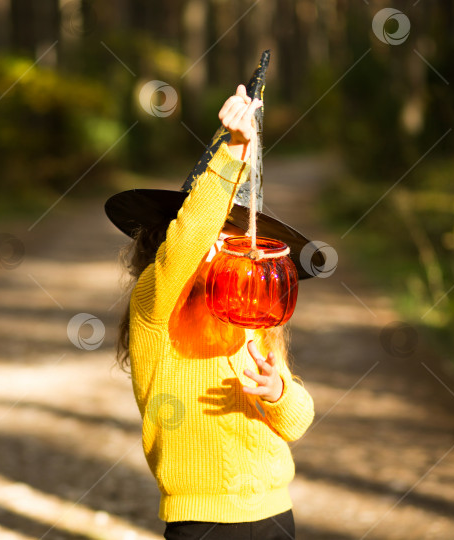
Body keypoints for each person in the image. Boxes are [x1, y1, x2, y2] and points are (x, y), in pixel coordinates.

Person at [108, 83, 316, 540]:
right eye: (214, 236)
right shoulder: (155, 305)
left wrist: (279, 390)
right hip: (201, 521)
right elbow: (189, 240)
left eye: (234, 237)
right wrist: (233, 152)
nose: (223, 247)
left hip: (274, 514)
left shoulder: (250, 319)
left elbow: (298, 420)